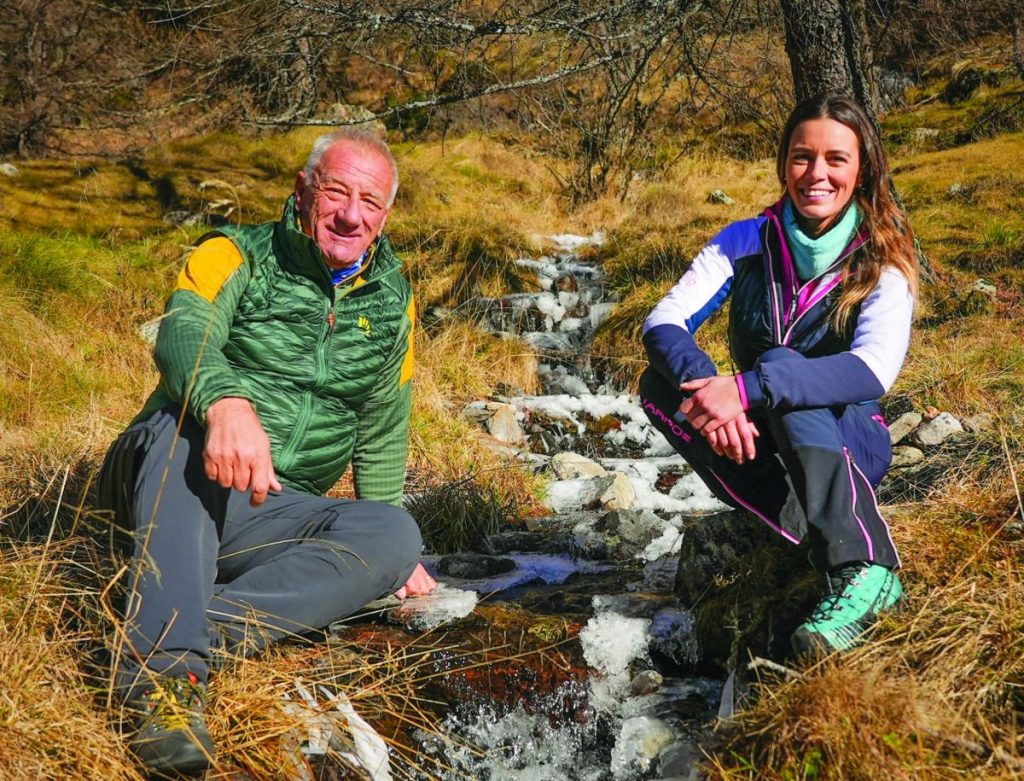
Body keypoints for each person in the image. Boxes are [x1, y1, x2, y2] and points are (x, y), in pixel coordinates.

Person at [98, 127, 437, 776]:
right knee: (181, 429)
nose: (350, 213)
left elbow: (384, 419)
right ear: (303, 190)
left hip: (264, 513)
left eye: (369, 201)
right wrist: (222, 402)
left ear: (385, 216)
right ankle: (165, 682)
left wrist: (394, 560)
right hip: (165, 478)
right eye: (336, 191)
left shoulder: (394, 300)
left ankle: (192, 627)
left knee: (396, 533)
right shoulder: (236, 253)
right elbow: (183, 331)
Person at [640, 93, 918, 659]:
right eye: (801, 157)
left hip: (849, 442)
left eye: (836, 159)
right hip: (762, 437)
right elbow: (663, 322)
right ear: (783, 164)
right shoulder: (744, 239)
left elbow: (872, 370)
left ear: (861, 168)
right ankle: (795, 522)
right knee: (657, 387)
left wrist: (742, 390)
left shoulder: (884, 259)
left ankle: (868, 568)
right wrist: (710, 392)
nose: (816, 174)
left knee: (781, 365)